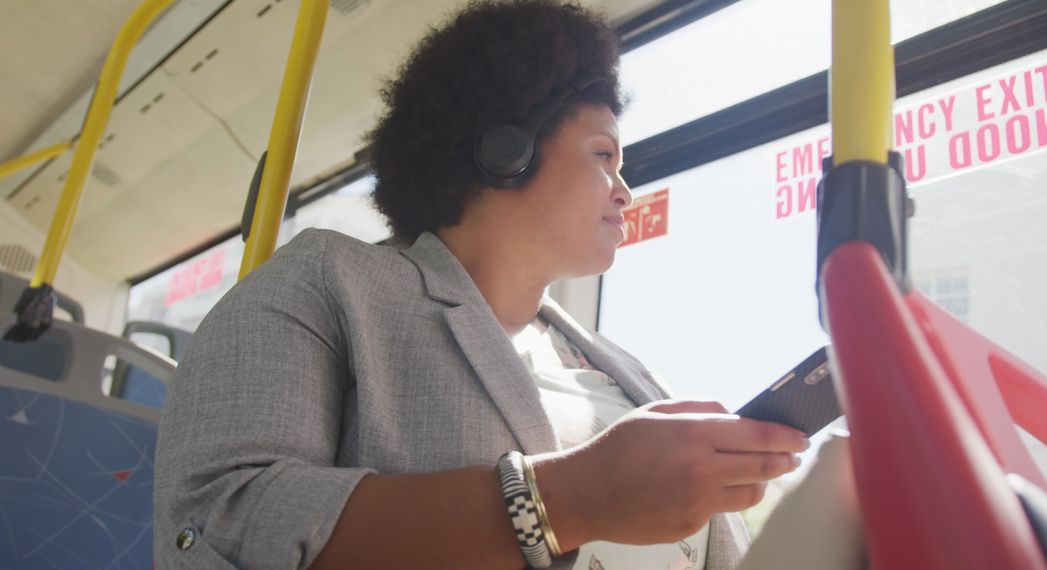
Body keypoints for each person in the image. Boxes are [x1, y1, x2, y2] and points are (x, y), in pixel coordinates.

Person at [153, 1, 809, 568]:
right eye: (604, 155)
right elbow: (215, 525)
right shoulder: (329, 284)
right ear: (508, 150)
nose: (625, 190)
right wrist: (570, 500)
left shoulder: (628, 374)